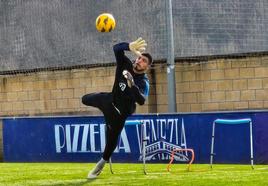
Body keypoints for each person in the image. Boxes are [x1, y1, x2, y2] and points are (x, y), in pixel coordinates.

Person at [82, 37, 153, 179]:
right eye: (139, 58)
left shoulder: (143, 82)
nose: (140, 61)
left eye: (144, 61)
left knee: (111, 141)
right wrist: (129, 46)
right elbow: (116, 48)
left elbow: (141, 101)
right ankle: (103, 112)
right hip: (109, 100)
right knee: (84, 99)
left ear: (147, 67)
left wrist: (132, 84)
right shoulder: (125, 64)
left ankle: (101, 164)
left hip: (119, 114)